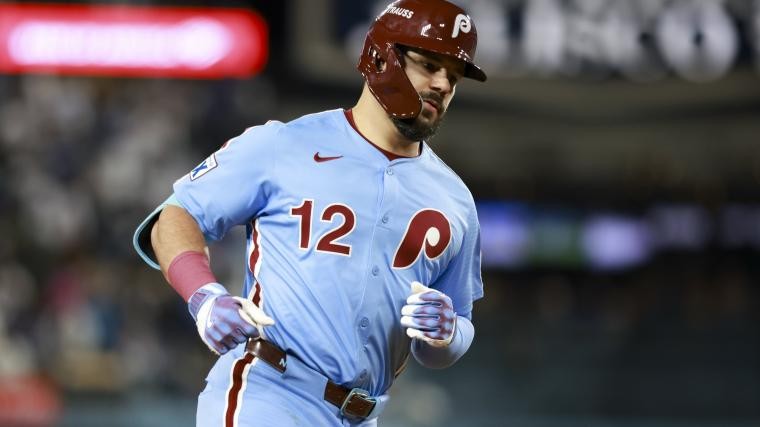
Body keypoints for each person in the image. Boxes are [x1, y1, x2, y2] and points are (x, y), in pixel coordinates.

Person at [133, 0, 486, 425]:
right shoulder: (284, 144)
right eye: (429, 65)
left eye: (454, 76)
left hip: (363, 414)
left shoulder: (454, 200)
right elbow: (175, 216)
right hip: (270, 393)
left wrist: (447, 336)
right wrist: (204, 297)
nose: (443, 84)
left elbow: (454, 330)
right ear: (381, 58)